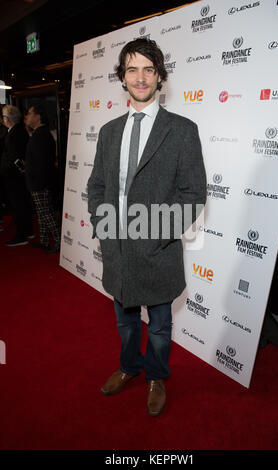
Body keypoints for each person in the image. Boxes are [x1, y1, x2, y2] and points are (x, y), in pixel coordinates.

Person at [87, 38, 207, 417]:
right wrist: (102, 225)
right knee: (125, 323)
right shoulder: (108, 132)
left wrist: (157, 234)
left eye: (148, 69)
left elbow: (193, 193)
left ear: (160, 77)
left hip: (157, 250)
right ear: (122, 77)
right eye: (132, 69)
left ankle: (156, 375)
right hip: (118, 249)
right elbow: (97, 187)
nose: (140, 78)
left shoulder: (183, 130)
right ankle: (129, 367)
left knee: (158, 325)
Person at [25, 104, 60, 253]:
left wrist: (38, 183)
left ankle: (59, 242)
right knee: (42, 213)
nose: (26, 116)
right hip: (40, 182)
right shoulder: (41, 134)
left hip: (40, 183)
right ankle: (45, 241)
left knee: (46, 214)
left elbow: (42, 164)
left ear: (38, 117)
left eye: (29, 113)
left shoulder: (41, 135)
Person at [0, 105, 33, 246]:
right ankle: (28, 231)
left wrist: (20, 168)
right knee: (24, 203)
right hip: (20, 176)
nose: (2, 119)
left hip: (14, 177)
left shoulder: (12, 134)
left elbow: (14, 157)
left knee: (18, 205)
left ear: (7, 119)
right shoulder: (21, 130)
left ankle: (21, 235)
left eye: (3, 117)